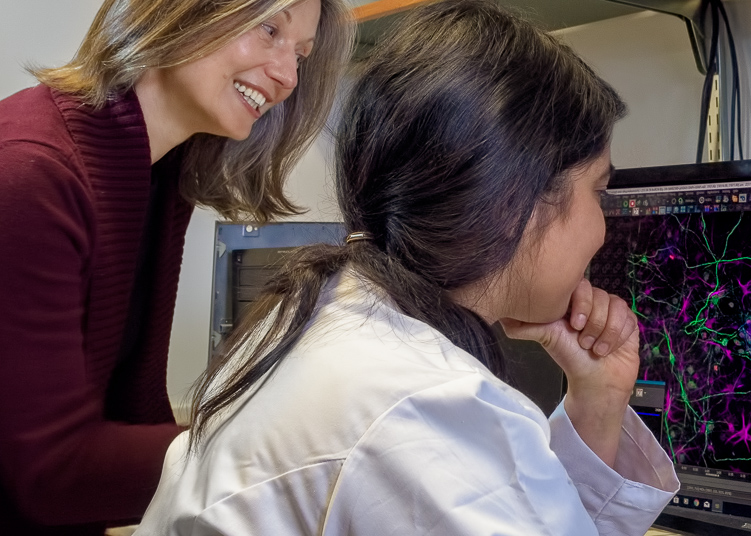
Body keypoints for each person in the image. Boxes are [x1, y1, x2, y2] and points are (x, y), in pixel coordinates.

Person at [0, 0, 352, 534]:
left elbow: (132, 406)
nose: (286, 77)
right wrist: (281, 449)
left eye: (300, 55)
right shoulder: (24, 172)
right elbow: (53, 475)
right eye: (270, 29)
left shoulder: (155, 172)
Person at [133, 1, 680, 534]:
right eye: (598, 191)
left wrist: (599, 399)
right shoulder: (428, 412)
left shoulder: (316, 313)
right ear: (515, 201)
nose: (602, 229)